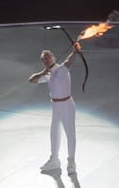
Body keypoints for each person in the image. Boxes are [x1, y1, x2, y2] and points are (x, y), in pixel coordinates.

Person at [28, 42, 81, 174]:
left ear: (53, 57)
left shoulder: (61, 70)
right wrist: (43, 72)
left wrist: (75, 52)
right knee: (54, 132)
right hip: (56, 106)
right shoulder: (48, 74)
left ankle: (71, 162)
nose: (46, 60)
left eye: (48, 57)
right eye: (43, 59)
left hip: (67, 105)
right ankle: (54, 160)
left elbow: (68, 62)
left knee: (70, 133)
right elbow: (31, 80)